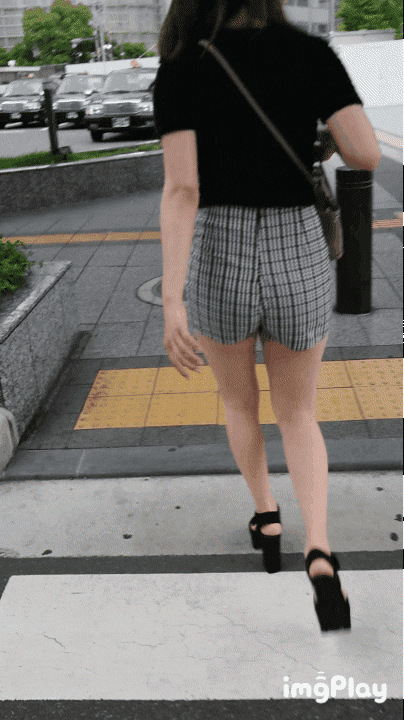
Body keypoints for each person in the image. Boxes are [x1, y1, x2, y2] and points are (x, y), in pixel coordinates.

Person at [153, 0, 381, 632]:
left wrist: (172, 300)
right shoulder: (310, 54)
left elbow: (182, 189)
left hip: (217, 249)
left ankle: (268, 517)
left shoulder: (182, 65)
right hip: (298, 245)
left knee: (238, 401)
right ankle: (320, 551)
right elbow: (366, 154)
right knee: (299, 411)